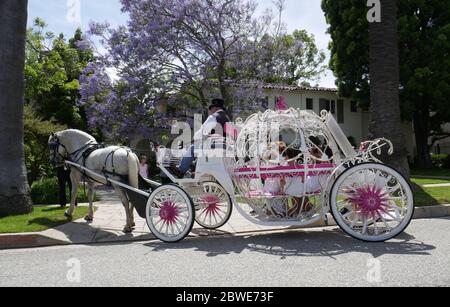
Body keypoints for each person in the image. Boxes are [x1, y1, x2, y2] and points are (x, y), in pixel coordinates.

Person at [171, 98, 230, 178]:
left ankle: (181, 170)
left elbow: (201, 132)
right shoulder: (227, 118)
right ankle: (196, 170)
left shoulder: (213, 117)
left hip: (214, 147)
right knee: (200, 149)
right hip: (225, 147)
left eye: (211, 109)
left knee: (192, 149)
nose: (211, 111)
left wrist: (195, 138)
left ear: (215, 108)